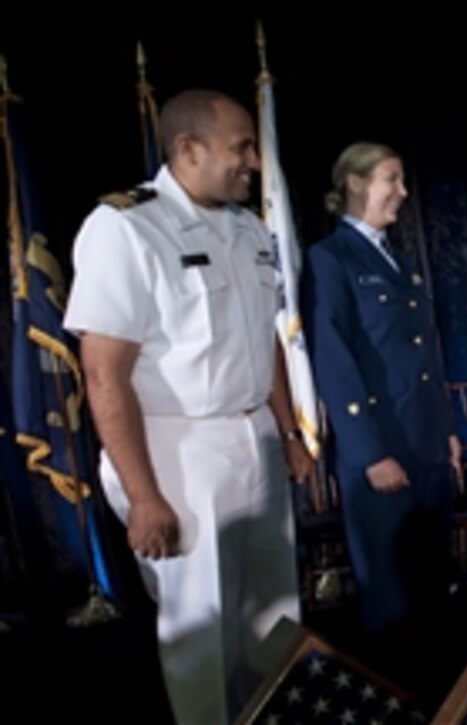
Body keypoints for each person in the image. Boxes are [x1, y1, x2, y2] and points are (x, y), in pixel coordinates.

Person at [64, 89, 314, 724]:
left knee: (275, 613)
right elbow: (103, 374)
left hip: (254, 435)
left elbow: (265, 339)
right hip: (179, 449)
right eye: (240, 148)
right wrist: (145, 497)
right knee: (202, 629)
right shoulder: (125, 228)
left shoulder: (247, 226)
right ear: (187, 149)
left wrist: (288, 433)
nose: (253, 161)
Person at [300, 142, 460, 691]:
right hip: (382, 454)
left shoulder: (398, 257)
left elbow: (421, 356)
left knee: (433, 590)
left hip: (426, 447)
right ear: (356, 183)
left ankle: (442, 700)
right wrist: (369, 453)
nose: (403, 191)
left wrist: (448, 435)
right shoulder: (331, 258)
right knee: (392, 605)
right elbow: (334, 360)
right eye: (393, 178)